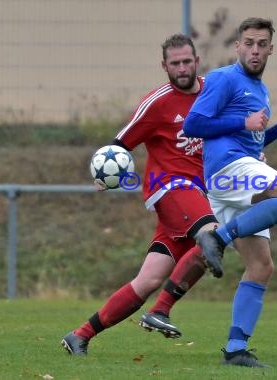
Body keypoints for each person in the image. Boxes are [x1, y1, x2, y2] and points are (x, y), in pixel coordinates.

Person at [61, 34, 219, 355]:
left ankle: (80, 335)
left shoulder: (214, 91)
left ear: (197, 61)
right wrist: (104, 175)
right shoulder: (157, 102)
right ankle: (161, 311)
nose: (182, 68)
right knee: (213, 235)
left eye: (187, 61)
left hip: (197, 197)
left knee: (148, 280)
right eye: (175, 63)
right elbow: (118, 145)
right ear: (165, 66)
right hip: (170, 188)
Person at [183, 17, 277, 368]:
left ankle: (236, 349)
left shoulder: (260, 89)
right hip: (228, 168)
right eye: (249, 43)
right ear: (237, 46)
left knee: (260, 265)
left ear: (271, 48)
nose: (255, 50)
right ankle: (219, 238)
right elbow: (194, 124)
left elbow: (250, 140)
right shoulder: (224, 78)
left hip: (236, 170)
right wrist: (243, 122)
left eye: (262, 44)